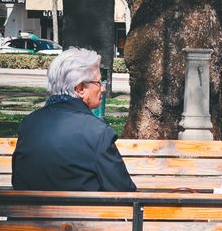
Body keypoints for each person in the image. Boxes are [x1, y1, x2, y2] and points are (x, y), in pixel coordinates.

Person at [12, 48, 137, 191]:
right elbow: (124, 191)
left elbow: (18, 180)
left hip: (26, 212)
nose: (102, 89)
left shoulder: (29, 123)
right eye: (98, 82)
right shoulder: (97, 132)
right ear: (80, 88)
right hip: (81, 213)